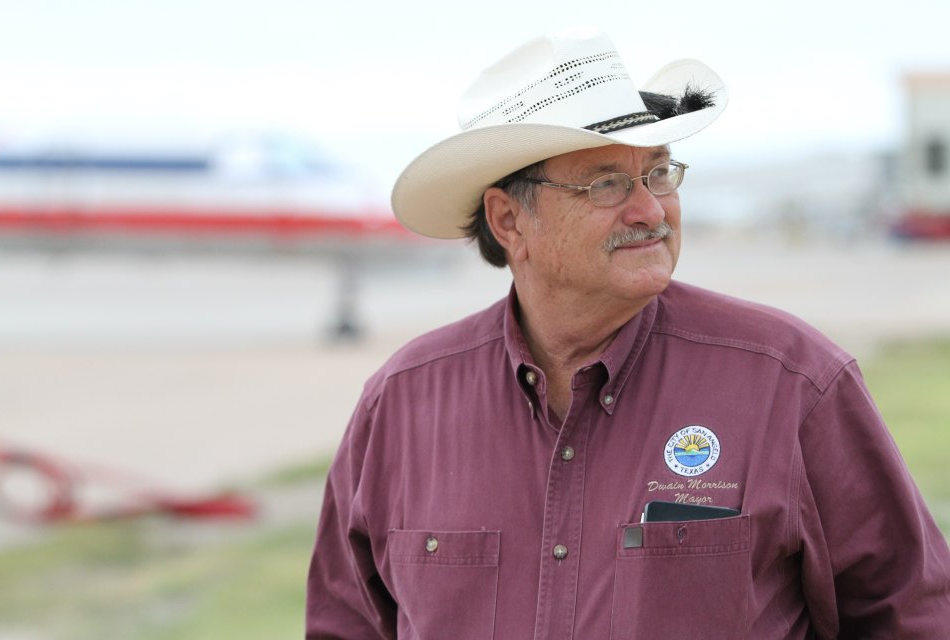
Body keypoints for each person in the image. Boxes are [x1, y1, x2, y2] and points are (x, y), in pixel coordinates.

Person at [305, 28, 950, 639]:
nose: (649, 209)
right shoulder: (401, 403)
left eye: (659, 173)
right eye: (606, 184)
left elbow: (914, 615)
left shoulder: (791, 382)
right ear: (508, 221)